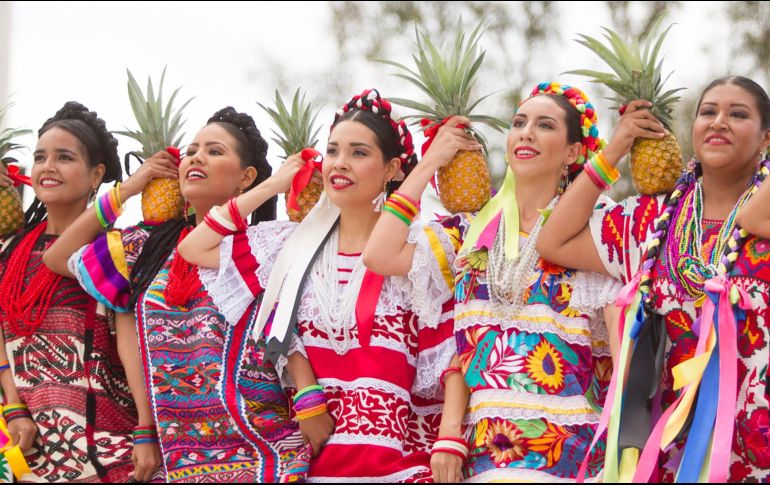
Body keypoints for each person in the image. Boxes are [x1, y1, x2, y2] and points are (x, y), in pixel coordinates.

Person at [178, 89, 461, 482]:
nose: (339, 164)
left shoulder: (422, 248)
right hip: (313, 463)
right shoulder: (288, 244)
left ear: (393, 167)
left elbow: (451, 357)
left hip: (401, 465)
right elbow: (193, 247)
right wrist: (272, 186)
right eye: (332, 151)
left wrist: (428, 166)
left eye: (358, 153)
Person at [362, 82, 621, 482]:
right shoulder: (470, 230)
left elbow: (621, 362)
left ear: (573, 152)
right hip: (482, 454)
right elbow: (378, 254)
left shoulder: (594, 232)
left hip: (570, 456)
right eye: (520, 122)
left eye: (545, 125)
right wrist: (429, 163)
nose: (526, 132)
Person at [44, 107, 308, 482]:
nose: (196, 157)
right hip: (173, 458)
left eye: (214, 151)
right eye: (191, 151)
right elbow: (57, 257)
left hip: (266, 451)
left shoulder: (268, 244)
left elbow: (289, 335)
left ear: (247, 177)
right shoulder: (145, 247)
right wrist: (129, 188)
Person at [537, 76, 770, 482]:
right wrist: (613, 152)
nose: (718, 122)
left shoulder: (762, 221)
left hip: (756, 438)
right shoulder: (652, 220)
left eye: (738, 114)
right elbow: (553, 240)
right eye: (708, 112)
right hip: (664, 445)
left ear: (766, 138)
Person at [0, 101, 155, 482]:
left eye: (64, 157)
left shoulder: (113, 251)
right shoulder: (7, 252)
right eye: (40, 157)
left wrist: (147, 429)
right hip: (29, 456)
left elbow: (131, 346)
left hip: (109, 452)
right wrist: (14, 407)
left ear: (95, 175)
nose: (47, 167)